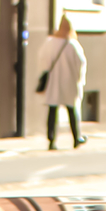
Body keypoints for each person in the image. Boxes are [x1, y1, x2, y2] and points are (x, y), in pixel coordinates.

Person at [38, 16, 86, 150]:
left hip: (53, 81)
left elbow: (42, 59)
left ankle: (51, 140)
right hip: (69, 82)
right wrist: (79, 80)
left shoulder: (49, 43)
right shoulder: (73, 45)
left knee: (52, 110)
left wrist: (45, 71)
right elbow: (80, 64)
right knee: (72, 109)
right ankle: (76, 137)